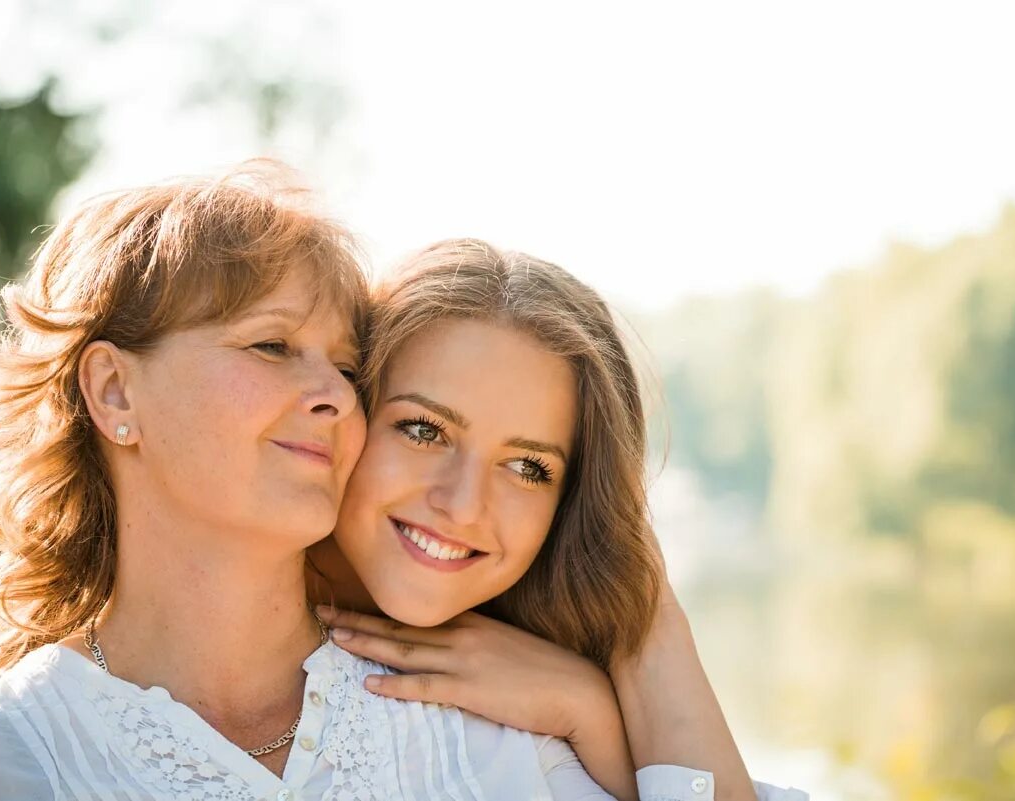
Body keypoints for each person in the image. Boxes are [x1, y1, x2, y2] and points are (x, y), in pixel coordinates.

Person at [0, 166, 654, 800]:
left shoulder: (504, 739)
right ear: (114, 392)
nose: (338, 397)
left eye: (349, 370)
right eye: (272, 345)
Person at [306, 239, 806, 801]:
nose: (465, 504)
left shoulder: (536, 730)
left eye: (527, 467)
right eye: (425, 430)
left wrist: (635, 634)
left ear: (569, 501)